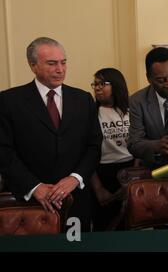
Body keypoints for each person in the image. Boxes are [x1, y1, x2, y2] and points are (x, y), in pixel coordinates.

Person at [0, 37, 102, 231]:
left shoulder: (83, 99)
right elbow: (4, 152)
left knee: (76, 248)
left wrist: (75, 178)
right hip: (31, 203)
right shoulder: (9, 101)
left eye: (63, 62)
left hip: (76, 201)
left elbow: (94, 146)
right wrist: (35, 187)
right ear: (33, 65)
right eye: (52, 63)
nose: (60, 69)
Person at [90, 68, 134, 231]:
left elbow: (140, 143)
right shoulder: (92, 113)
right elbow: (86, 152)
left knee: (128, 224)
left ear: (116, 85)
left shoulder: (132, 110)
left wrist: (132, 180)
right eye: (95, 84)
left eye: (102, 83)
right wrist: (99, 189)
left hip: (130, 169)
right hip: (102, 172)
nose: (97, 87)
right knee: (104, 225)